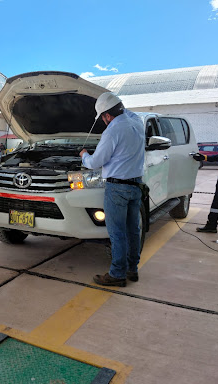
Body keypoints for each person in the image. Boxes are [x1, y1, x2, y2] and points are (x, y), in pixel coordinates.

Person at [79, 92, 145, 287]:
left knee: (117, 233)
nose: (103, 122)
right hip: (135, 185)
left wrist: (84, 155)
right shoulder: (137, 123)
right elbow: (127, 113)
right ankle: (132, 270)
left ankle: (117, 274)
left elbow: (96, 162)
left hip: (117, 188)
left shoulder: (113, 131)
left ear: (107, 116)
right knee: (133, 230)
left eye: (103, 118)